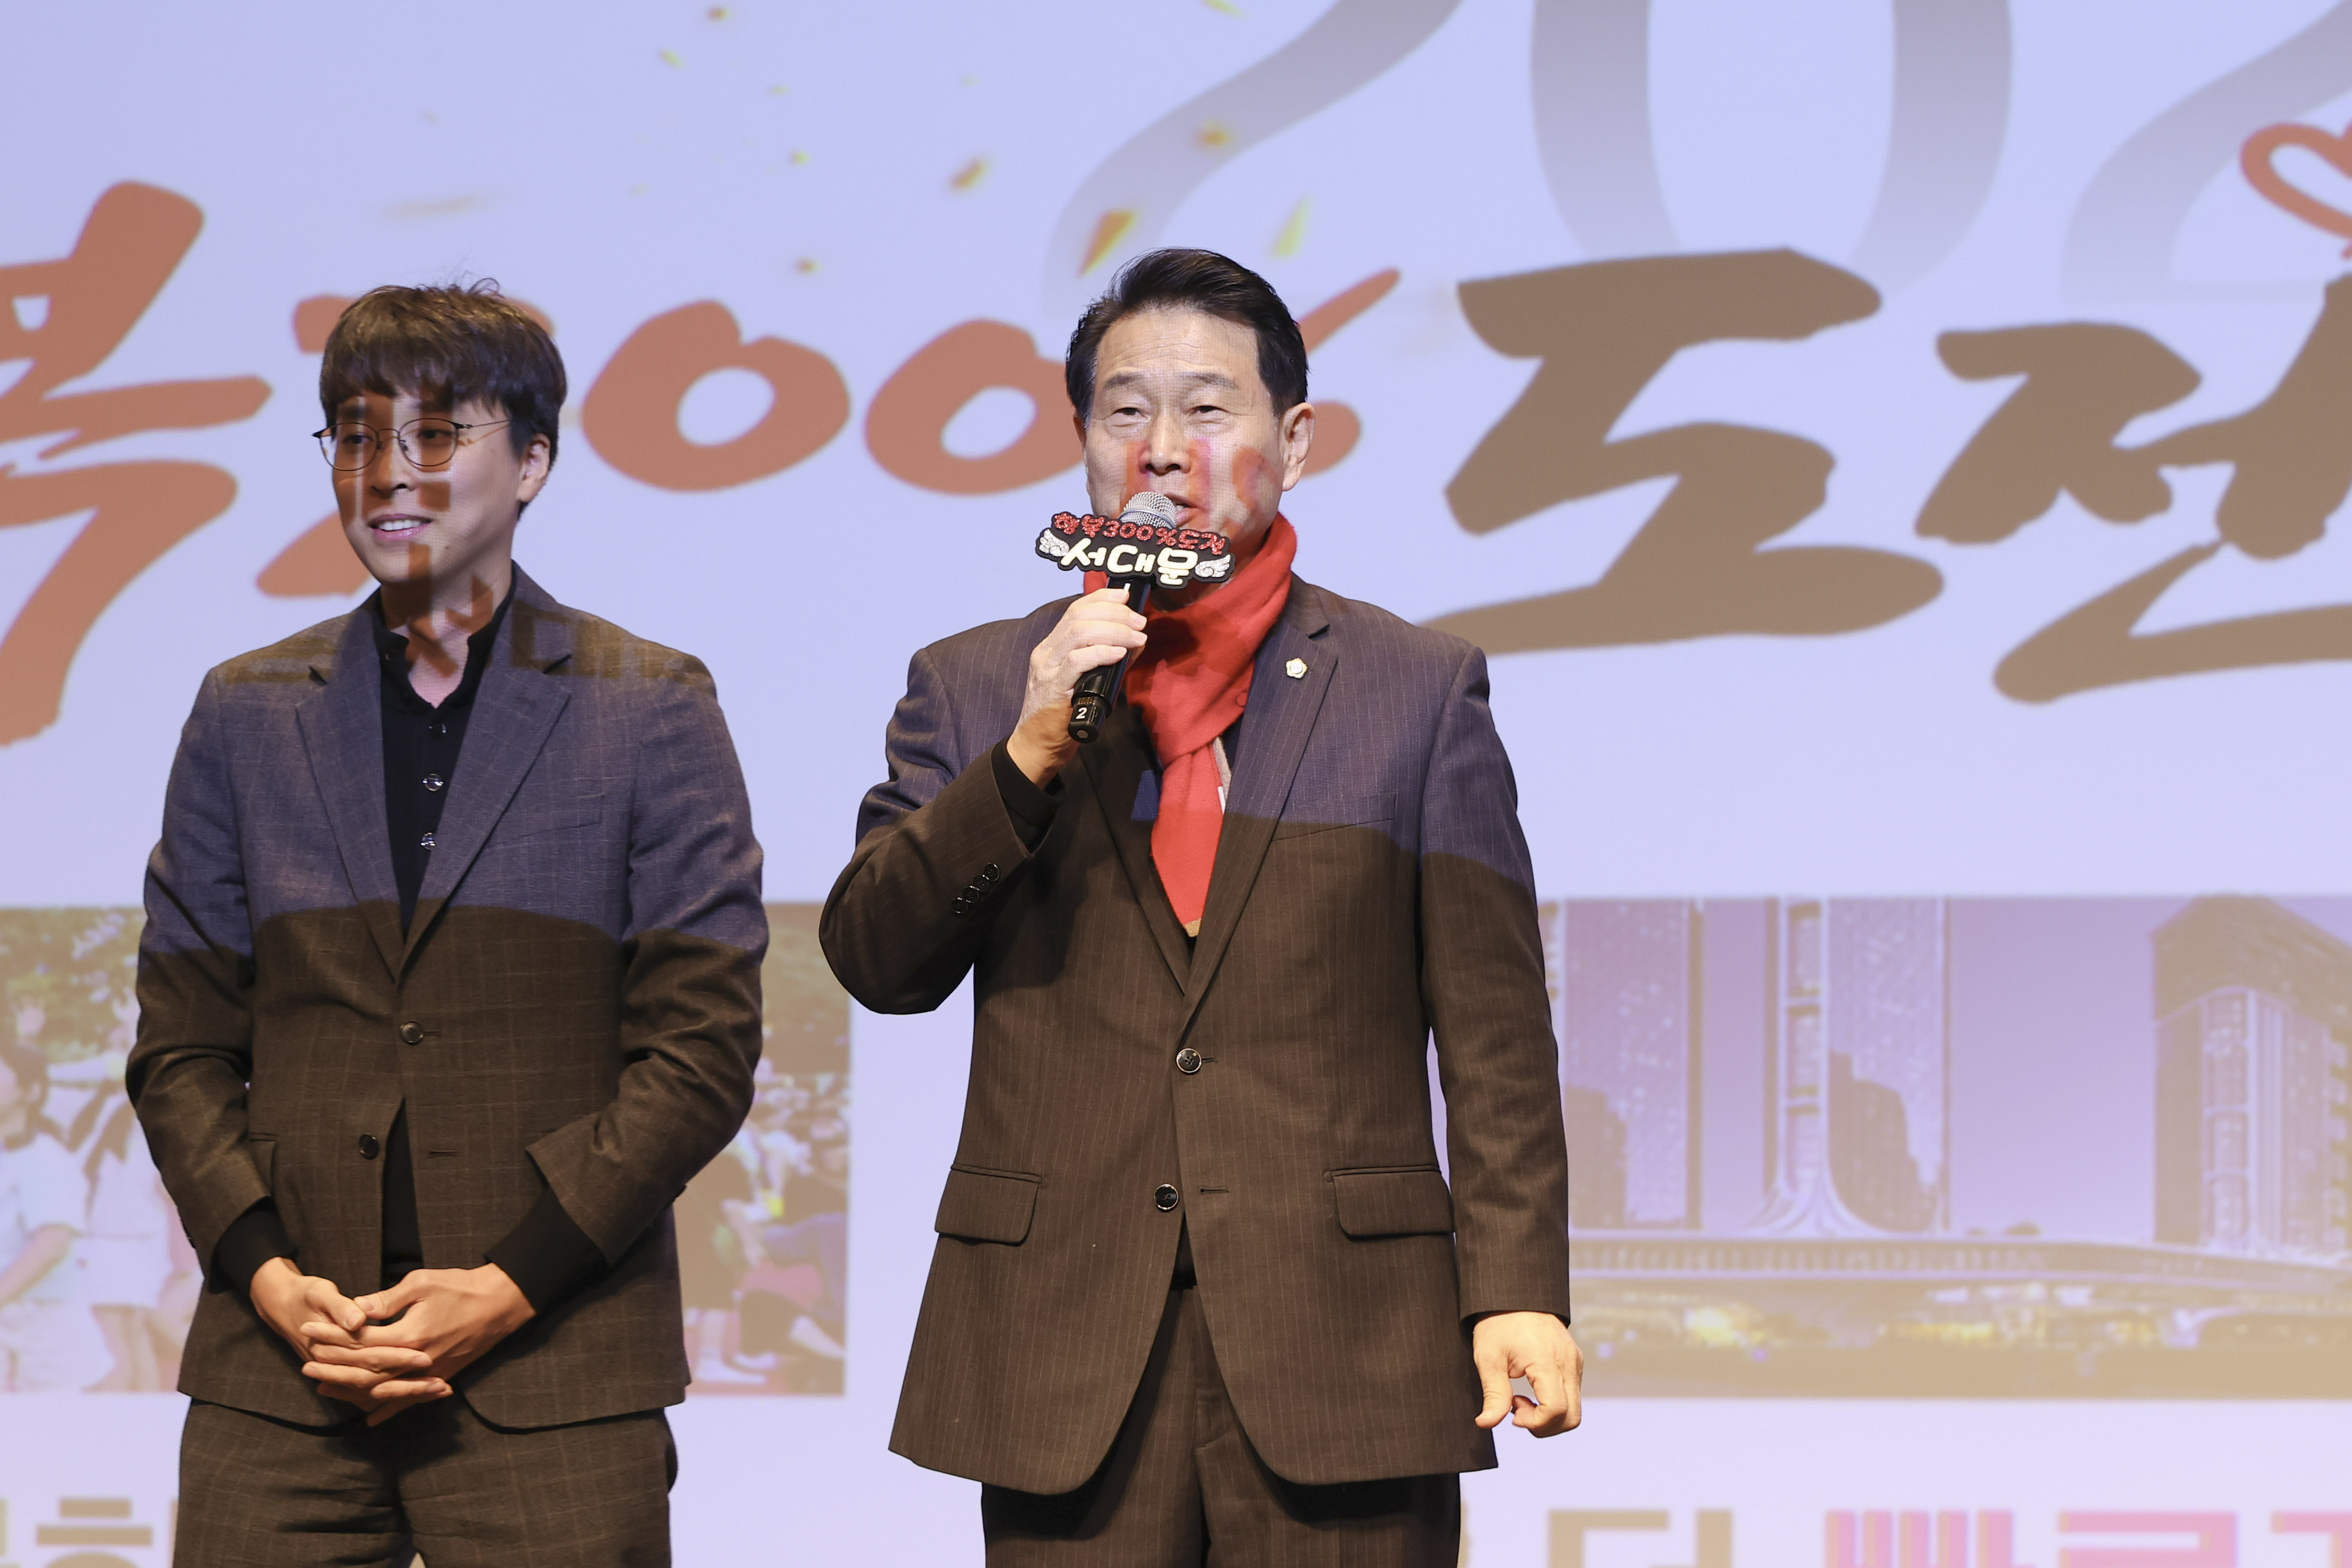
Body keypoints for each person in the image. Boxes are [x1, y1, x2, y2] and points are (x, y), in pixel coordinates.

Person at [822, 249, 1581, 1566]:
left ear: (1294, 440)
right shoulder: (975, 683)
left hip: (1345, 1336)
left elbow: (1494, 1026)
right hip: (1062, 1340)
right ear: (1081, 438)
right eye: (1124, 409)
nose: (1161, 448)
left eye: (1206, 408)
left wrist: (1515, 1285)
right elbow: (877, 960)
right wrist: (1028, 752)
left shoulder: (1413, 687)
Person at [130, 283, 767, 1567]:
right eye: (357, 437)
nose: (387, 473)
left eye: (433, 434)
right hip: (284, 1373)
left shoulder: (647, 706)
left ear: (531, 462)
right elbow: (180, 1046)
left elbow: (699, 1050)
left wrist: (509, 1283)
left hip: (554, 1362)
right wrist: (270, 1275)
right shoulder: (247, 712)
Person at [0, 1038, 109, 1391]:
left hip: (45, 1329)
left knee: (53, 1424)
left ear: (30, 1092)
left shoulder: (47, 1159)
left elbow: (51, 1245)